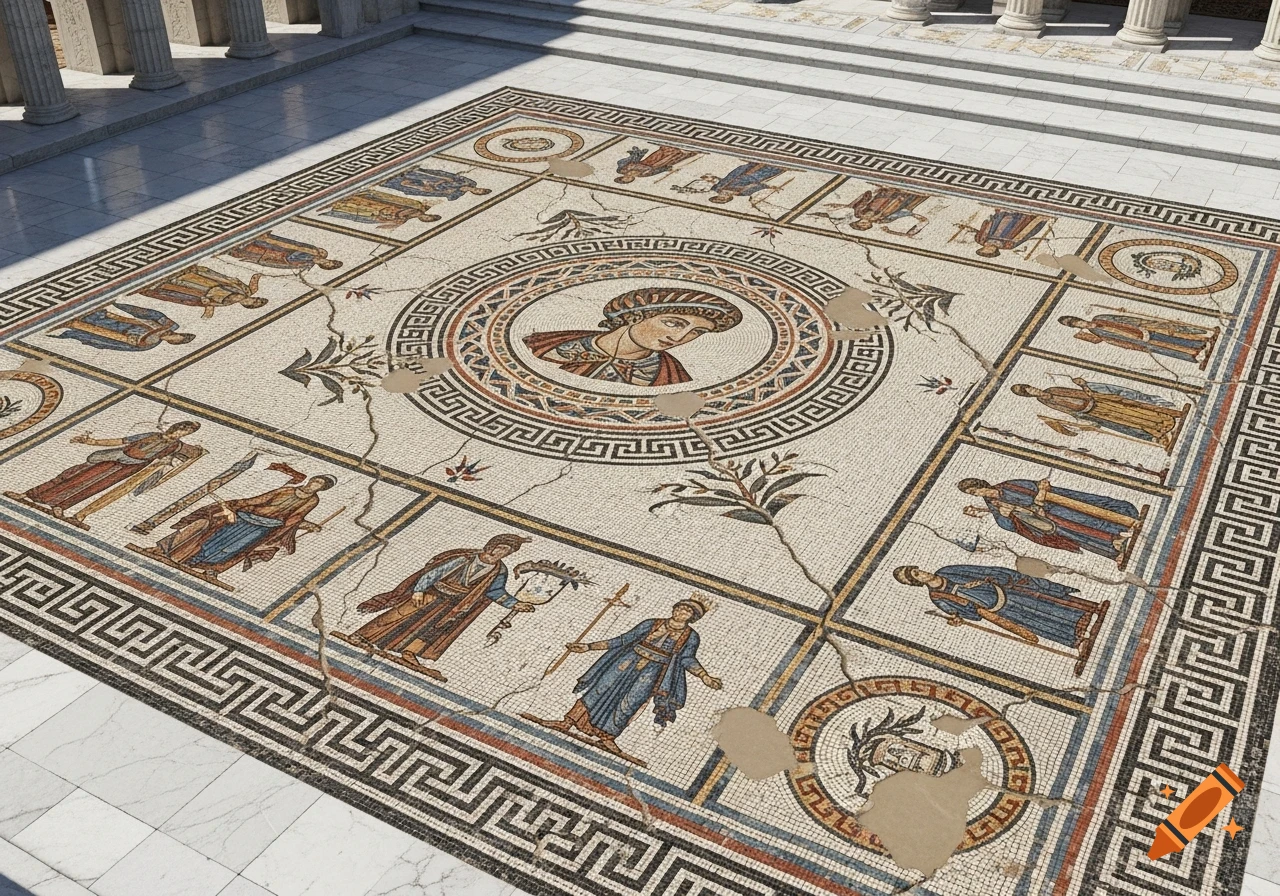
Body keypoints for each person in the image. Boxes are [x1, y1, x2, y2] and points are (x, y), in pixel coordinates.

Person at [531, 595, 721, 759]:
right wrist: (589, 647)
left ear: (692, 618)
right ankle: (567, 722)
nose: (681, 612)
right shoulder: (652, 623)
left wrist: (704, 676)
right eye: (680, 608)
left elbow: (687, 659)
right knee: (599, 689)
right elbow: (623, 639)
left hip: (653, 671)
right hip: (627, 660)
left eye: (687, 611)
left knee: (630, 702)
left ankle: (608, 737)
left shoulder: (691, 637)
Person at [339, 533, 532, 680]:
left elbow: (495, 591)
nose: (503, 553)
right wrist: (418, 590)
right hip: (434, 592)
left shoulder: (499, 570)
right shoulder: (465, 558)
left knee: (433, 629)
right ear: (492, 546)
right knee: (401, 613)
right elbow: (434, 573)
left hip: (455, 604)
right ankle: (362, 635)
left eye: (508, 551)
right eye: (501, 548)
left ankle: (410, 652)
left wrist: (515, 604)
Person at [894, 564, 1108, 675]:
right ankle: (1078, 641)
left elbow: (979, 571)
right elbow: (971, 616)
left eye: (917, 570)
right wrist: (959, 617)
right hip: (999, 611)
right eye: (916, 576)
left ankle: (1092, 609)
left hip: (1005, 591)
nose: (922, 573)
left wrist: (999, 577)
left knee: (1045, 601)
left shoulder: (947, 571)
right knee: (1037, 623)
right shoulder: (938, 598)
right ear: (916, 583)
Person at [523, 287, 742, 387]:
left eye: (696, 332)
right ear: (636, 315)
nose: (680, 337)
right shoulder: (543, 343)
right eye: (673, 323)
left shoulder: (672, 376)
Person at [144, 474, 335, 588]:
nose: (314, 484)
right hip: (244, 517)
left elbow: (295, 517)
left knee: (237, 549)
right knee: (209, 536)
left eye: (319, 484)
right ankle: (176, 554)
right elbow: (259, 500)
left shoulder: (312, 501)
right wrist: (235, 505)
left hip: (265, 527)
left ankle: (211, 569)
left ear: (322, 489)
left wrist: (301, 525)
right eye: (315, 480)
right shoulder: (286, 491)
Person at [6, 422, 202, 526]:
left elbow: (187, 454)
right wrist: (91, 442)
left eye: (186, 433)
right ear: (175, 427)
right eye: (182, 429)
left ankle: (60, 505)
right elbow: (120, 441)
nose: (181, 433)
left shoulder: (176, 446)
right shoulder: (149, 435)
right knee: (75, 476)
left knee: (94, 487)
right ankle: (28, 495)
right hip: (113, 458)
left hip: (130, 469)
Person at [958, 477, 1144, 568]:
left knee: (1084, 521)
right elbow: (1005, 525)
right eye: (973, 494)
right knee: (1076, 537)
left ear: (982, 485)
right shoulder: (994, 505)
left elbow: (1033, 488)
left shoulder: (1008, 486)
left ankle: (1121, 530)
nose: (977, 495)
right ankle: (1114, 551)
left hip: (1053, 508)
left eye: (975, 491)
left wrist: (1039, 496)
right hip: (1042, 524)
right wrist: (1006, 516)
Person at [1011, 377, 1187, 454]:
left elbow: (1081, 395)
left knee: (1133, 410)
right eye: (1029, 392)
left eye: (1031, 388)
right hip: (1093, 413)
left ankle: (1168, 419)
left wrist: (1084, 386)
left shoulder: (1052, 390)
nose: (1034, 391)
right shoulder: (1045, 402)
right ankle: (1160, 433)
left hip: (1099, 402)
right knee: (1128, 422)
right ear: (1029, 395)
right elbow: (1067, 410)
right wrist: (1080, 421)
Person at [1058, 313, 1218, 370]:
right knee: (1166, 349)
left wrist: (1139, 323)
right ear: (1075, 327)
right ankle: (1195, 357)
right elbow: (1113, 342)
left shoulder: (1099, 318)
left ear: (1078, 319)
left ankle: (1202, 343)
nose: (1078, 323)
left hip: (1141, 330)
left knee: (1171, 337)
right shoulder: (1095, 334)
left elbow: (1121, 319)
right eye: (1074, 325)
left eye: (1076, 321)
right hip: (1139, 342)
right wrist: (1133, 347)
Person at [49, 303, 195, 351]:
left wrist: (79, 326)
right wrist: (113, 313)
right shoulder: (167, 325)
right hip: (116, 321)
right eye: (177, 334)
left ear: (172, 342)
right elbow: (140, 317)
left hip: (112, 328)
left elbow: (116, 337)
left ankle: (75, 323)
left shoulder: (150, 342)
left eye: (175, 338)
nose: (172, 335)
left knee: (91, 322)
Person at [139, 265, 266, 318]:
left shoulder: (227, 303)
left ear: (248, 305)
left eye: (256, 302)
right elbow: (253, 278)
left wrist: (206, 306)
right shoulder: (246, 291)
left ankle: (163, 276)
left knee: (180, 282)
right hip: (210, 282)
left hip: (202, 290)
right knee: (189, 275)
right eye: (258, 299)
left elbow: (209, 304)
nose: (255, 299)